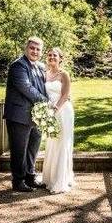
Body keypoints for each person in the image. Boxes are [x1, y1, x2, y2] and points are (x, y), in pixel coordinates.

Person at [3, 36, 48, 192]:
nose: (34, 51)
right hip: (19, 116)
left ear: (41, 52)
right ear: (26, 48)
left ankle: (30, 177)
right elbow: (26, 88)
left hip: (37, 117)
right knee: (19, 150)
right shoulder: (18, 66)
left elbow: (46, 86)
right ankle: (18, 181)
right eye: (32, 48)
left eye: (38, 49)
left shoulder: (41, 67)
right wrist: (47, 102)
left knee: (32, 150)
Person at [42, 47, 75, 194]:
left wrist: (55, 109)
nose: (51, 57)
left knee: (62, 143)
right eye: (49, 55)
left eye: (54, 55)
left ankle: (61, 180)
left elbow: (65, 95)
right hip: (50, 111)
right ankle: (50, 178)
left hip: (63, 111)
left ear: (60, 58)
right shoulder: (45, 74)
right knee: (51, 143)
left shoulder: (64, 74)